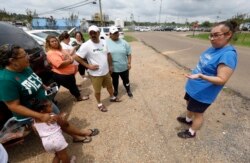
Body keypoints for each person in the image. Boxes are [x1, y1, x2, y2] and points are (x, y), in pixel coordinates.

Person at [0, 44, 99, 144]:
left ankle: (75, 136)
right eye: (24, 55)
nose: (28, 56)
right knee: (54, 131)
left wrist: (43, 86)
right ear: (12, 61)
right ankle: (77, 135)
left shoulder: (25, 68)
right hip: (33, 113)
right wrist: (40, 116)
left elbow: (33, 78)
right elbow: (14, 106)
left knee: (60, 120)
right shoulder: (5, 80)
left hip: (45, 103)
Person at [177, 21, 238, 139]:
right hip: (193, 88)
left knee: (198, 114)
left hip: (203, 93)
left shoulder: (228, 55)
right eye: (211, 35)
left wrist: (201, 76)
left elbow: (222, 79)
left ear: (228, 34)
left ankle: (191, 132)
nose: (212, 38)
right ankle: (188, 120)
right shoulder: (214, 48)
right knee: (189, 105)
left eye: (216, 35)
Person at [74, 25, 120, 112]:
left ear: (98, 33)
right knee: (97, 91)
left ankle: (112, 97)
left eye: (94, 33)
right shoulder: (86, 45)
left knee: (110, 86)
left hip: (106, 71)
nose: (93, 35)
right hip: (95, 74)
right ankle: (99, 104)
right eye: (91, 33)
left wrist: (111, 66)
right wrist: (88, 66)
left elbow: (108, 54)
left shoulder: (104, 42)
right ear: (89, 34)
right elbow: (76, 57)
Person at [45, 35, 89, 101]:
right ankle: (79, 97)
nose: (55, 42)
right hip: (62, 74)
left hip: (67, 73)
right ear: (49, 43)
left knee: (56, 86)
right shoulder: (51, 53)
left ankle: (48, 100)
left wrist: (69, 59)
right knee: (72, 86)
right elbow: (60, 64)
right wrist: (70, 61)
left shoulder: (60, 49)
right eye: (52, 41)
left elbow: (68, 55)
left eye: (55, 41)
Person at [107, 26, 133, 97]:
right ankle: (115, 90)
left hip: (124, 67)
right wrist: (109, 66)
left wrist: (129, 63)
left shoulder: (124, 42)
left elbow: (129, 53)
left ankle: (128, 90)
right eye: (114, 33)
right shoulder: (106, 43)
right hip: (113, 68)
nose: (116, 34)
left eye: (117, 33)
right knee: (115, 81)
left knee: (126, 80)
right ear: (110, 34)